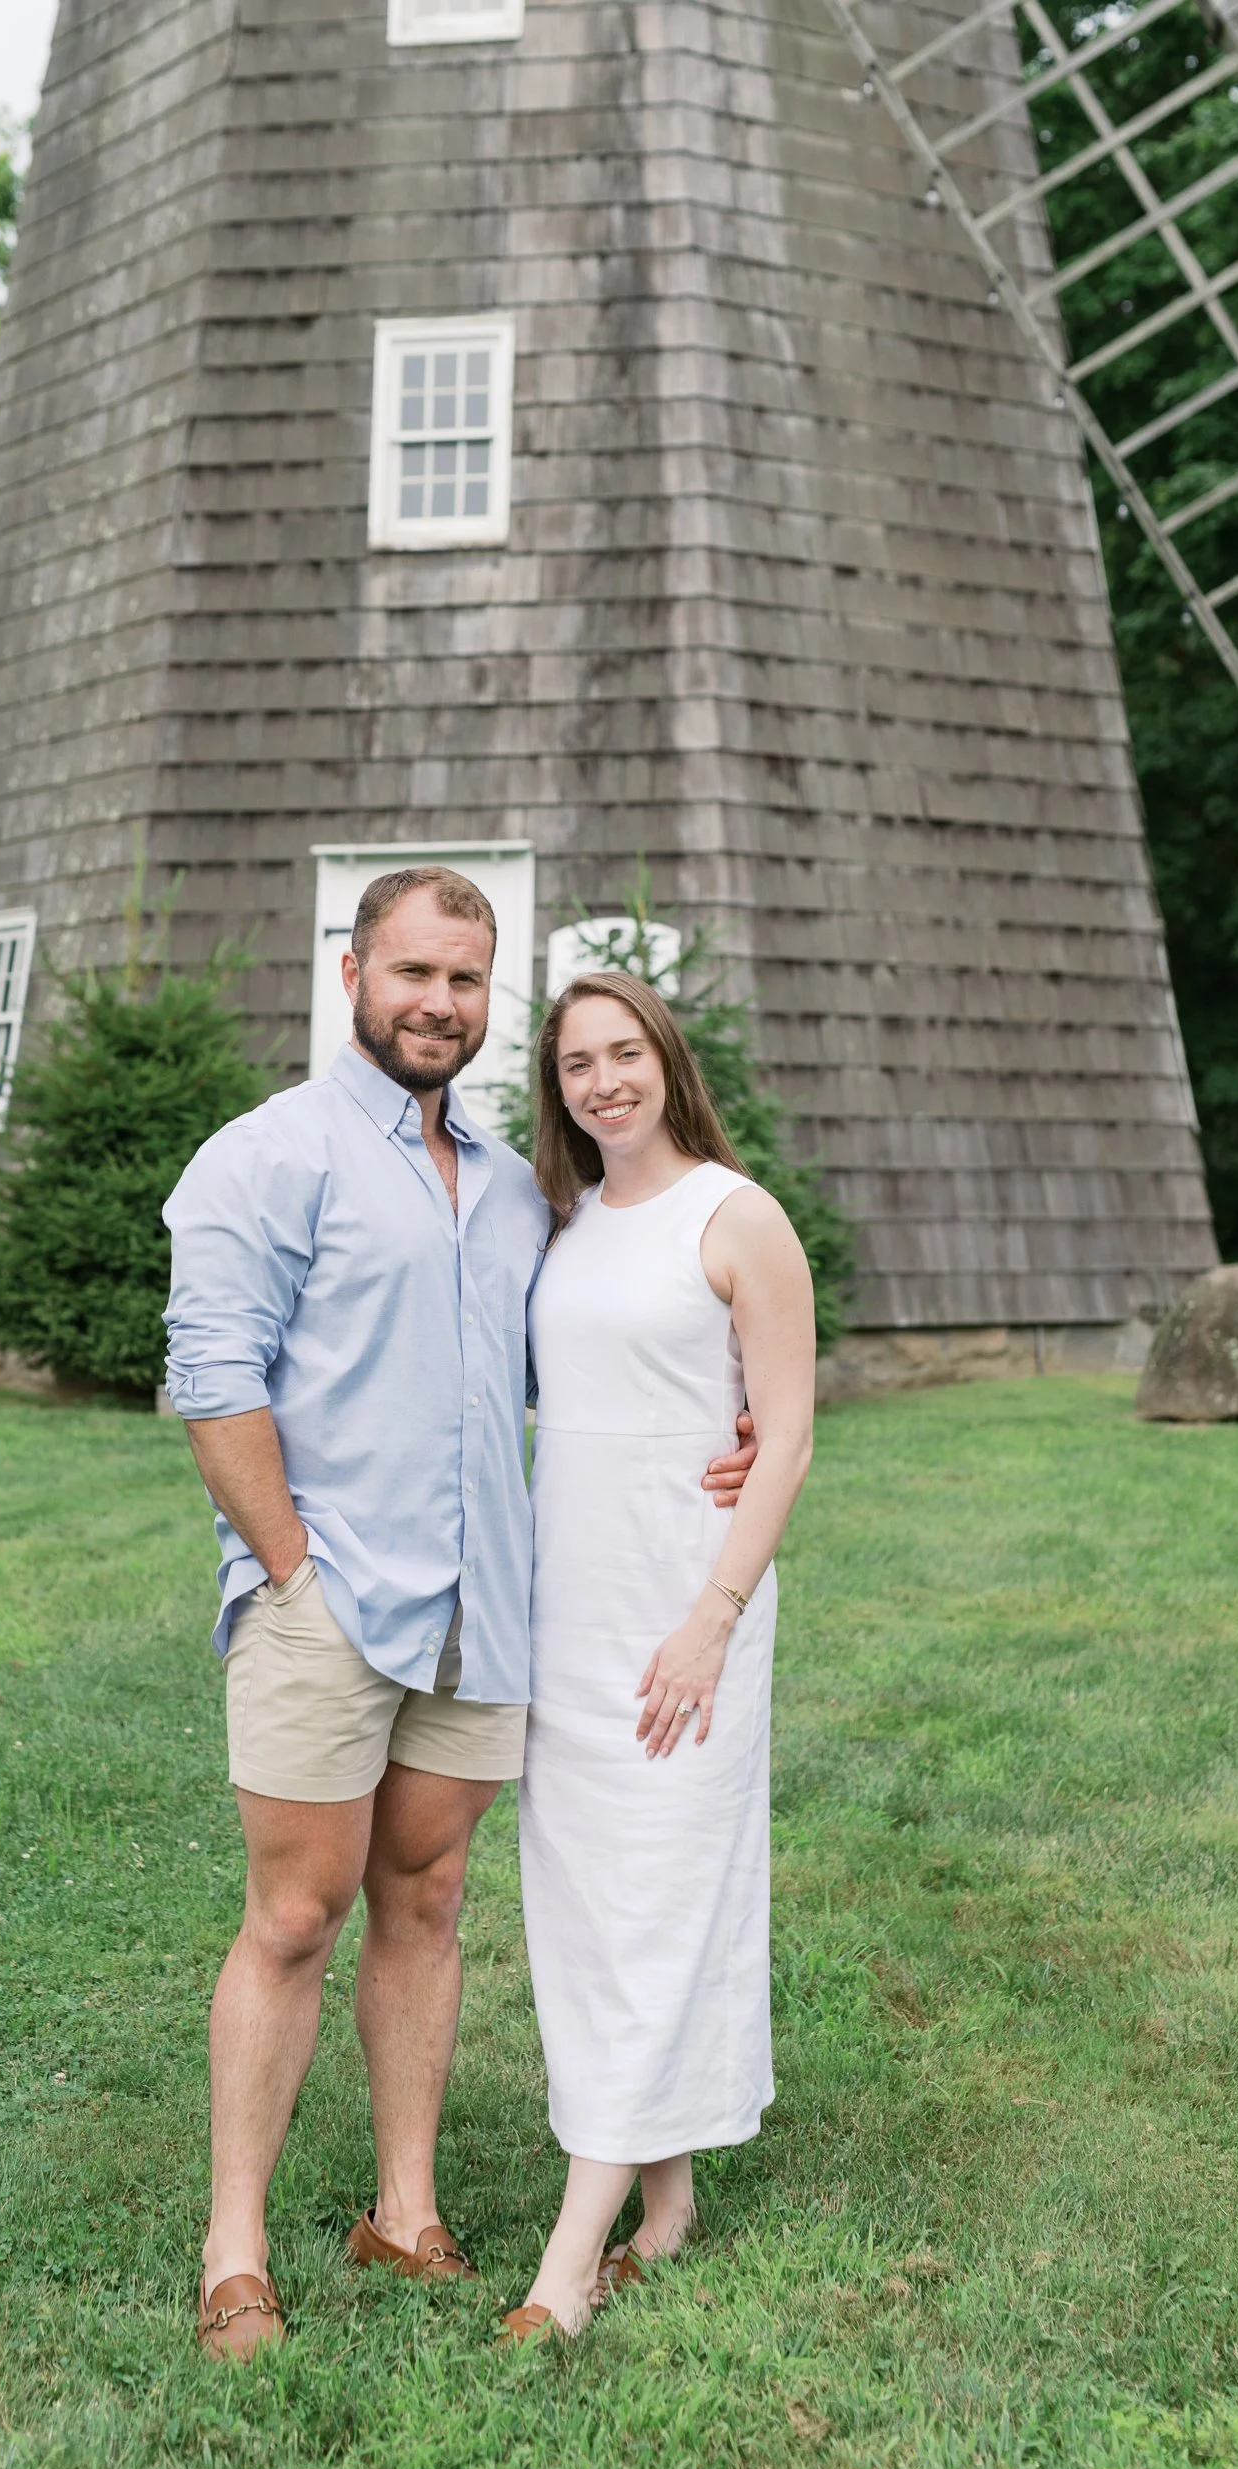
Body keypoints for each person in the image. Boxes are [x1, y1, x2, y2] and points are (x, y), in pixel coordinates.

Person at [162, 869, 755, 2360]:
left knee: (425, 1897)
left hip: (484, 1613)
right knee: (294, 1914)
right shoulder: (265, 1157)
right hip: (326, 1600)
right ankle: (234, 2250)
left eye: (467, 981)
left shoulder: (508, 1191)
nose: (439, 1004)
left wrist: (736, 1411)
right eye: (414, 972)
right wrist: (293, 1573)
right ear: (353, 971)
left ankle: (406, 2211)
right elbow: (215, 1386)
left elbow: (579, 1363)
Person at [501, 970, 816, 2343]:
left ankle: (566, 2264)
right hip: (565, 1610)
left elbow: (784, 1437)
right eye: (577, 1064)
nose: (603, 1082)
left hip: (684, 1607)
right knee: (587, 1908)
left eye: (623, 1053)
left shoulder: (737, 1218)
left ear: (666, 1059)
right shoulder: (563, 1223)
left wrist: (711, 1616)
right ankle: (666, 2200)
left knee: (662, 1895)